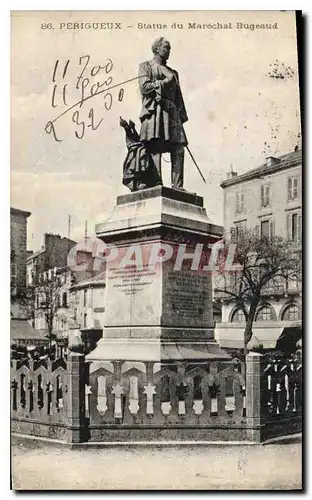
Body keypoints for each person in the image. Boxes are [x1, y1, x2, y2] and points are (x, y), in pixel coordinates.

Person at [138, 38, 188, 189]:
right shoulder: (145, 66)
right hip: (155, 110)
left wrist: (180, 115)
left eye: (170, 48)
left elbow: (178, 97)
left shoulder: (173, 73)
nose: (169, 51)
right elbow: (144, 87)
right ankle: (155, 182)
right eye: (166, 47)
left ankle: (177, 186)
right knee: (155, 145)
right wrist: (164, 82)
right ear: (157, 49)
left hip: (171, 112)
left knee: (179, 147)